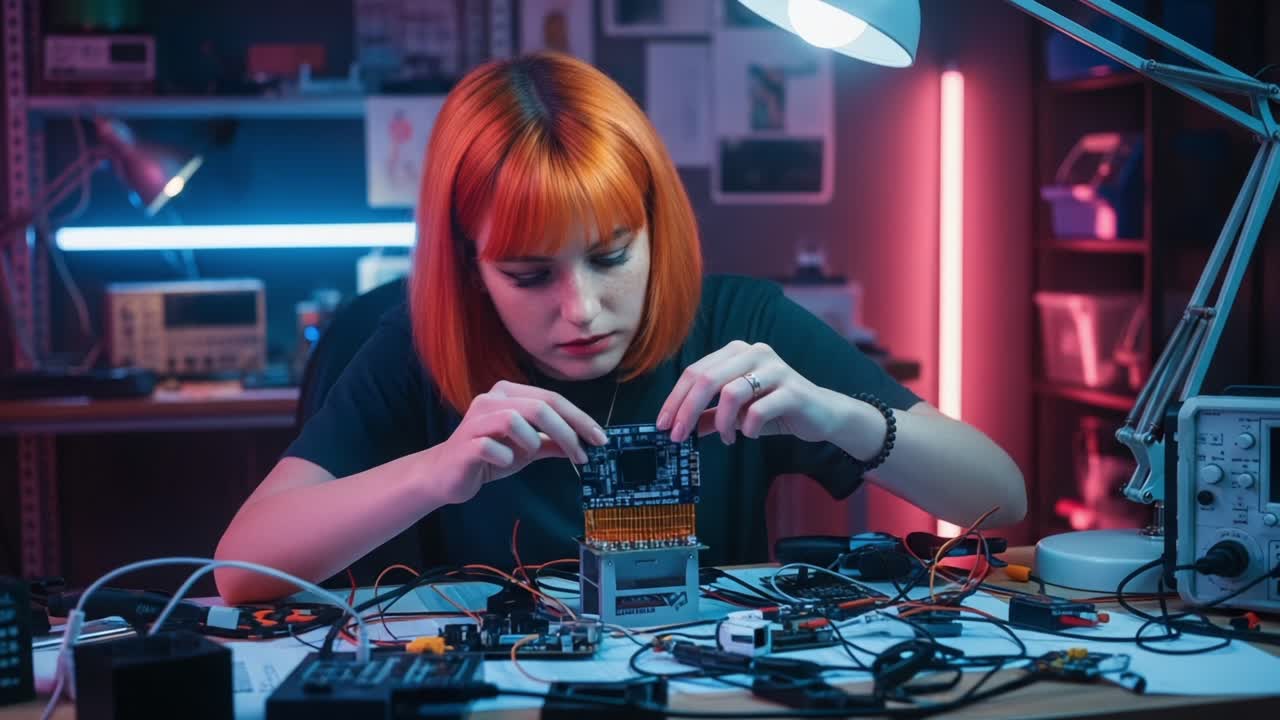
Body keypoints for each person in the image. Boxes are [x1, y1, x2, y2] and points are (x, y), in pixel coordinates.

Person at [215, 52, 1025, 604]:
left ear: (655, 228)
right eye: (529, 275)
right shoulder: (417, 347)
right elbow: (238, 572)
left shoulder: (740, 327)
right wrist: (435, 471)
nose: (582, 309)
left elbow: (1002, 496)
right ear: (468, 265)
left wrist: (839, 417)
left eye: (610, 257)